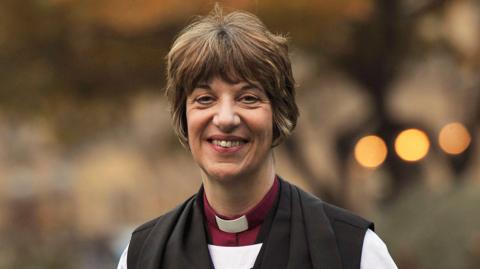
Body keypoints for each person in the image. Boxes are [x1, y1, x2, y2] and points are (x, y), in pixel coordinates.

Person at [117, 5, 397, 269]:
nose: (225, 118)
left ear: (279, 114)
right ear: (183, 116)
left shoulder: (353, 251)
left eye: (248, 98)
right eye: (205, 99)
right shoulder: (144, 256)